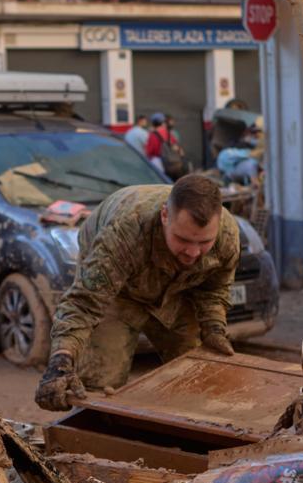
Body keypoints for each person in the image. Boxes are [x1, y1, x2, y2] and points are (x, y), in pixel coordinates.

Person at [34, 174, 239, 410]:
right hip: (118, 291)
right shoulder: (124, 233)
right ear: (164, 216)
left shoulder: (227, 236)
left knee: (196, 374)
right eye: (182, 239)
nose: (193, 253)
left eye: (204, 243)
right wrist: (61, 361)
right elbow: (83, 305)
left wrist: (214, 328)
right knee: (99, 384)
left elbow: (213, 289)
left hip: (177, 292)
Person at [146, 113, 187, 179]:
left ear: (153, 124)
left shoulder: (152, 135)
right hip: (175, 164)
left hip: (161, 165)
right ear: (163, 123)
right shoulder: (168, 133)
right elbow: (177, 147)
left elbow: (149, 152)